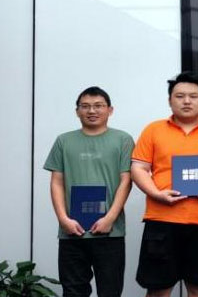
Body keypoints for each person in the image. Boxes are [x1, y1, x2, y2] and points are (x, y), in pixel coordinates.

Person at [131, 72, 198, 297]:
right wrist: (156, 193)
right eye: (179, 96)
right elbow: (138, 168)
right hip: (162, 220)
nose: (186, 101)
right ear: (170, 100)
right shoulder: (153, 130)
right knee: (158, 289)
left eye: (193, 96)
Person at [45, 86, 134, 297]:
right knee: (73, 291)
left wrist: (110, 218)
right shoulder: (64, 141)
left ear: (110, 110)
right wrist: (63, 219)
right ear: (77, 111)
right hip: (72, 232)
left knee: (110, 292)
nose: (91, 111)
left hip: (110, 232)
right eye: (85, 106)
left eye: (98, 106)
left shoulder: (123, 140)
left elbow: (127, 181)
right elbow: (57, 182)